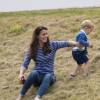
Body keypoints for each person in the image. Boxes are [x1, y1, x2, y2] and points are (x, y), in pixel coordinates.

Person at [16, 26, 79, 100]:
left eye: (46, 34)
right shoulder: (32, 49)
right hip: (37, 77)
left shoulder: (52, 45)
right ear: (37, 36)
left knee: (48, 76)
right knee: (33, 73)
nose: (46, 36)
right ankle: (21, 95)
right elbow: (25, 64)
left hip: (49, 77)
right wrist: (21, 74)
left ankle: (37, 97)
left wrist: (77, 43)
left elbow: (66, 43)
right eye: (43, 34)